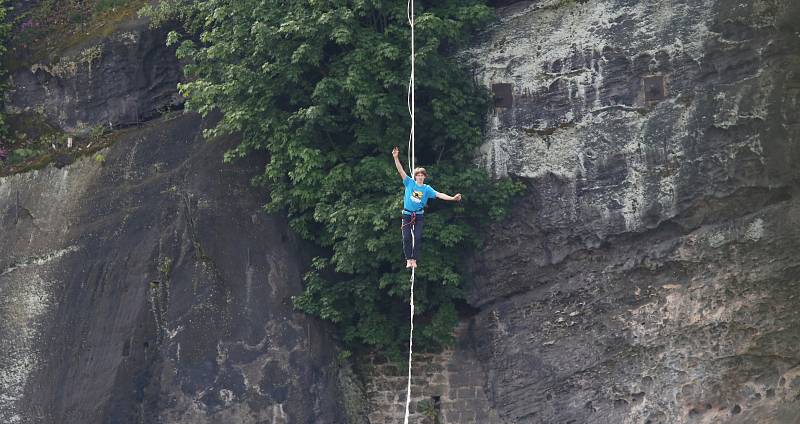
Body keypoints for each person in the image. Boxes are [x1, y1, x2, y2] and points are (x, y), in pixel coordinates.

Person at [392, 146, 462, 269]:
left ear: (424, 177)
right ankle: (409, 259)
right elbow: (401, 171)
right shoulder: (409, 183)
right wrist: (396, 158)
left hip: (418, 215)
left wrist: (452, 198)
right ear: (415, 177)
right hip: (407, 214)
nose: (419, 177)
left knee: (418, 237)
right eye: (418, 175)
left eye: (421, 175)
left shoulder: (426, 188)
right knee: (407, 237)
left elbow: (439, 194)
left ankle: (414, 259)